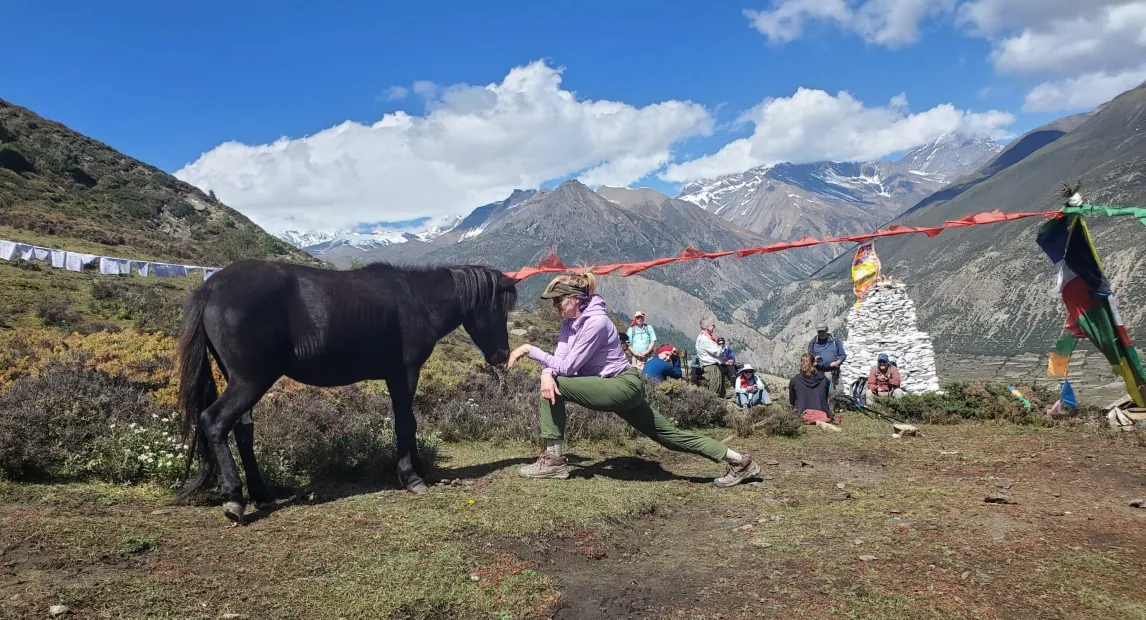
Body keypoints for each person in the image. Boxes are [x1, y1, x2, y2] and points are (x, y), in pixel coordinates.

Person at [507, 271, 760, 488]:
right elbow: (560, 361)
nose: (555, 306)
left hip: (621, 386)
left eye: (559, 300)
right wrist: (546, 371)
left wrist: (530, 350)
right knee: (669, 435)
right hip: (620, 386)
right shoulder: (569, 323)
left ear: (575, 298)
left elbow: (568, 368)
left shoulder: (597, 322)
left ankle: (553, 461)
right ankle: (740, 461)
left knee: (556, 387)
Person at [789, 353, 838, 426]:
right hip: (822, 413)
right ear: (813, 363)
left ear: (801, 364)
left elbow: (792, 401)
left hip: (802, 414)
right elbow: (825, 398)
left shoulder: (795, 380)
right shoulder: (824, 380)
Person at [808, 320, 847, 390]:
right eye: (819, 331)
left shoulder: (835, 341)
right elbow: (808, 358)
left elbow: (843, 355)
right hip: (818, 373)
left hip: (833, 373)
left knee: (836, 396)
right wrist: (814, 360)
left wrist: (837, 362)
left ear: (827, 330)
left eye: (823, 331)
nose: (821, 333)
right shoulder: (813, 343)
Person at [695, 319, 726, 397]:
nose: (714, 327)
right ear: (707, 327)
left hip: (711, 366)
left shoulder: (703, 337)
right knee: (715, 388)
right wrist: (721, 348)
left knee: (717, 387)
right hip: (711, 366)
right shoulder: (705, 339)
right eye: (713, 325)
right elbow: (717, 352)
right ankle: (711, 404)